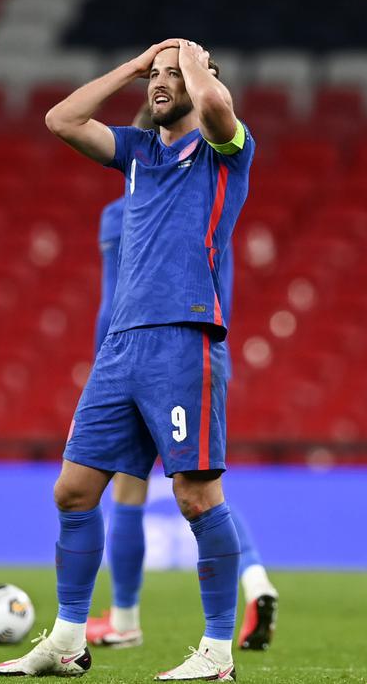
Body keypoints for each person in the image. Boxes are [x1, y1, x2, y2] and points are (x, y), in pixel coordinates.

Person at [0, 38, 253, 680]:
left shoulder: (226, 152)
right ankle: (68, 639)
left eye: (173, 77)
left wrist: (191, 59)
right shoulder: (137, 153)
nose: (159, 84)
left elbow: (217, 105)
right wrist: (134, 68)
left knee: (196, 497)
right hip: (122, 345)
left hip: (182, 339)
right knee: (74, 490)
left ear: (202, 81)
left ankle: (218, 652)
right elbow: (61, 119)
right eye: (154, 77)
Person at [84, 108, 278, 652]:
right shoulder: (207, 190)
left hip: (137, 356)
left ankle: (124, 618)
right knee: (203, 486)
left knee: (129, 484)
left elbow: (110, 303)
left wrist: (107, 367)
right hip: (203, 349)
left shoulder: (119, 213)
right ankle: (256, 579)